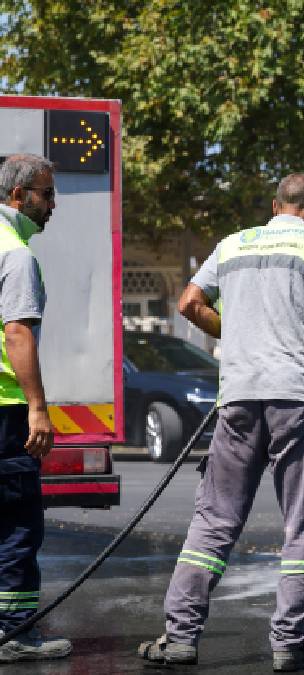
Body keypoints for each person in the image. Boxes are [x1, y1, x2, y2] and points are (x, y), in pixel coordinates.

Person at [138, 174, 304, 671]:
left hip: (236, 398)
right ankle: (288, 645)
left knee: (214, 519)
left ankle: (179, 638)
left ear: (274, 205)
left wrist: (234, 332)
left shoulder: (233, 244)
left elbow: (189, 303)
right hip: (294, 399)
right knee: (302, 523)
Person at [0, 154, 70, 663]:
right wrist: (38, 408)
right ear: (19, 197)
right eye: (46, 195)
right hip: (4, 411)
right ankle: (14, 633)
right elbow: (18, 332)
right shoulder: (16, 255)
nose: (52, 206)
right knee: (18, 521)